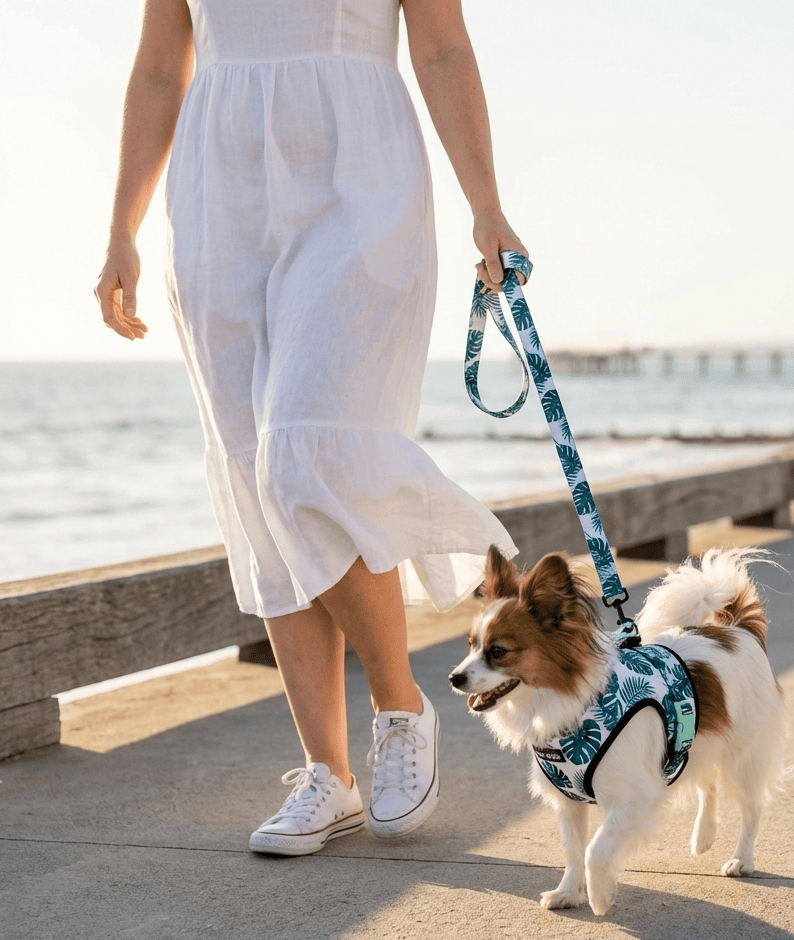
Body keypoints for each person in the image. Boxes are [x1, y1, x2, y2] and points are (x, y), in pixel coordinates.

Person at [95, 0, 526, 854]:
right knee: (252, 470)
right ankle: (327, 775)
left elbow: (441, 49)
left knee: (303, 446)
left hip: (359, 177)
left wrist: (487, 203)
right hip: (218, 194)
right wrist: (122, 225)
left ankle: (401, 707)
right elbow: (157, 68)